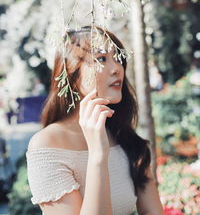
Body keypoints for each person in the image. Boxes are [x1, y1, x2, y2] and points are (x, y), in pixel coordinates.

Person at [26, 26, 163, 215]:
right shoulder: (46, 145)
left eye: (118, 58)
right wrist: (98, 155)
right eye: (101, 59)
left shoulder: (126, 138)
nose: (117, 69)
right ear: (70, 74)